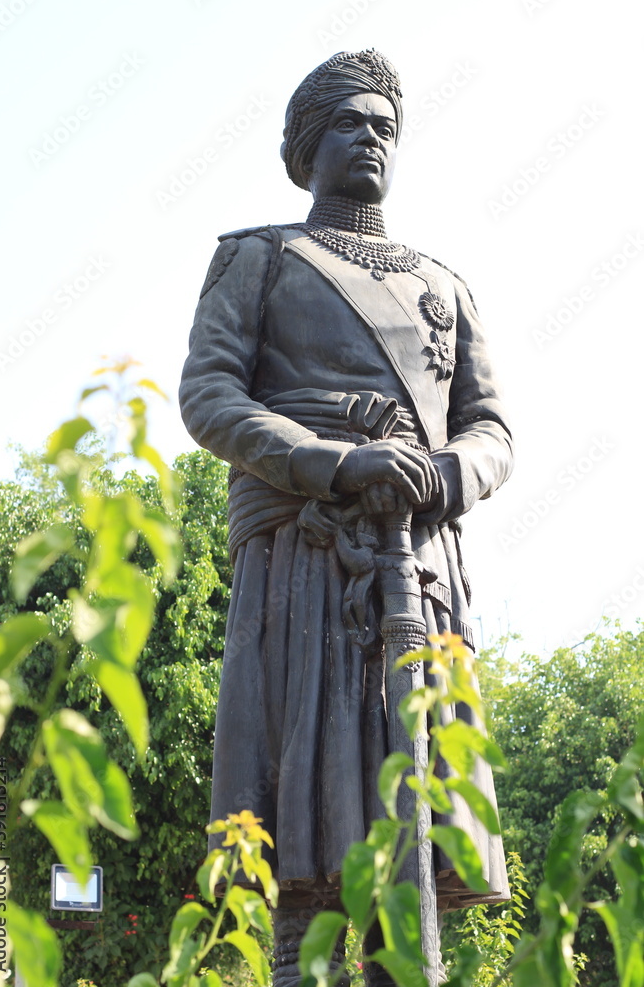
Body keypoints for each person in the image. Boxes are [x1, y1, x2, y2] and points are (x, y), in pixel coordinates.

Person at [179, 49, 513, 987]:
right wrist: (332, 462)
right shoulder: (258, 258)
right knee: (302, 787)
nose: (370, 138)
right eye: (350, 123)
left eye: (385, 127)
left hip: (419, 557)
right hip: (304, 553)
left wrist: (443, 475)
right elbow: (209, 396)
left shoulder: (444, 284)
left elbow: (491, 426)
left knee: (418, 792)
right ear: (305, 146)